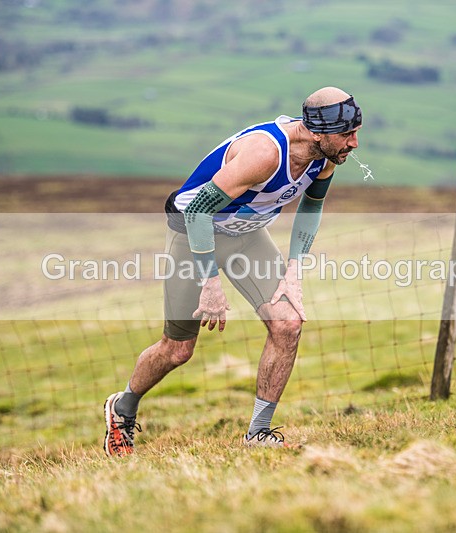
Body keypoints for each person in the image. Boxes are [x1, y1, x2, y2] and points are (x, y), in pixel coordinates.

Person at [103, 86, 362, 456]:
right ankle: (123, 407)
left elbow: (312, 206)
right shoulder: (265, 154)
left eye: (356, 132)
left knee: (288, 323)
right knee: (178, 350)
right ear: (319, 132)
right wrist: (210, 282)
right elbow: (197, 211)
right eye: (347, 134)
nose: (354, 143)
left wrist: (294, 270)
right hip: (194, 235)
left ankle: (258, 433)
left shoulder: (326, 156)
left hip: (246, 236)